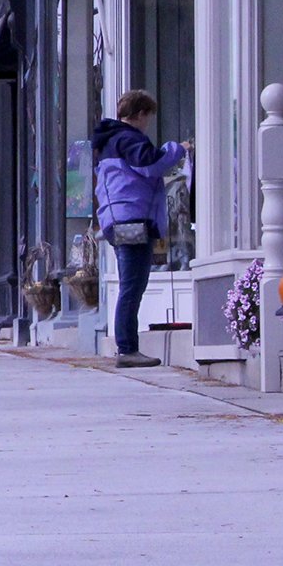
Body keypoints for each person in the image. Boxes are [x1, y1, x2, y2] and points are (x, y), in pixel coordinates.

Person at [91, 90, 188, 368]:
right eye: (148, 116)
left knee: (130, 285)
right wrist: (178, 149)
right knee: (132, 286)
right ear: (141, 114)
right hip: (132, 218)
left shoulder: (110, 140)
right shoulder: (128, 138)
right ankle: (127, 349)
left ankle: (127, 347)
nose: (148, 123)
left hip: (119, 218)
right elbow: (152, 165)